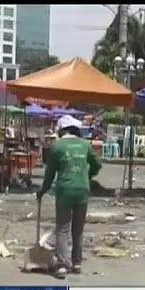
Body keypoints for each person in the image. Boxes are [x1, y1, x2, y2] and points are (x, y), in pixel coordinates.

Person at [36, 115, 102, 279]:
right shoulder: (85, 145)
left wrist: (42, 191)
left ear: (61, 130)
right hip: (82, 190)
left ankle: (62, 265)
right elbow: (97, 164)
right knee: (78, 229)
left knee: (62, 229)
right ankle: (77, 263)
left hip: (65, 190)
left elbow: (49, 174)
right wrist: (87, 174)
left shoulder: (57, 146)